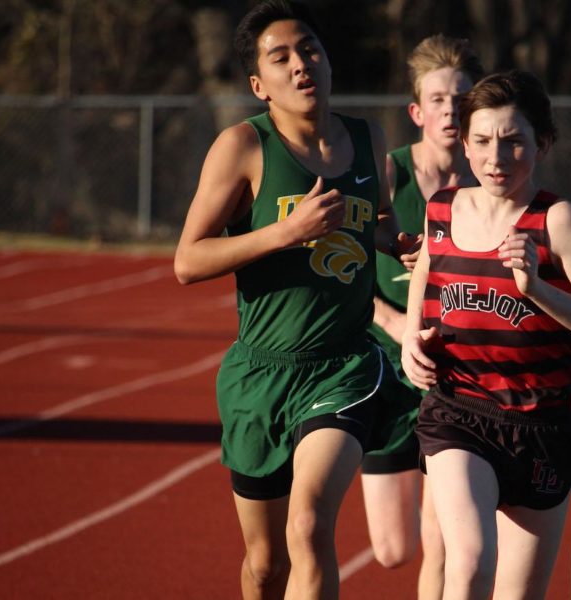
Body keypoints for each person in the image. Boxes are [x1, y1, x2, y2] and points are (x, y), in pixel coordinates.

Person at [174, 1, 418, 598]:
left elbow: (371, 225)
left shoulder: (368, 139)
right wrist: (285, 231)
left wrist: (396, 242)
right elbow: (187, 260)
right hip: (260, 374)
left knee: (309, 525)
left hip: (344, 368)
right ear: (260, 85)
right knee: (265, 563)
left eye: (309, 49)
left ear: (329, 63)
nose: (300, 65)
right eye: (280, 57)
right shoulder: (243, 147)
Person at [401, 70, 571, 599]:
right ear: (466, 143)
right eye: (481, 141)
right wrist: (411, 340)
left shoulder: (559, 221)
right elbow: (423, 276)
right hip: (460, 413)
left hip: (542, 428)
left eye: (512, 141)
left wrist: (537, 290)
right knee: (473, 560)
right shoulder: (442, 208)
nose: (495, 158)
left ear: (542, 143)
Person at [359, 34, 483, 599]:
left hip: (452, 383)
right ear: (417, 111)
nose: (450, 111)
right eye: (438, 100)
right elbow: (346, 275)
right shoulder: (389, 173)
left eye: (460, 99)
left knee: (442, 541)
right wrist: (397, 326)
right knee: (392, 550)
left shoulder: (486, 188)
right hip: (386, 370)